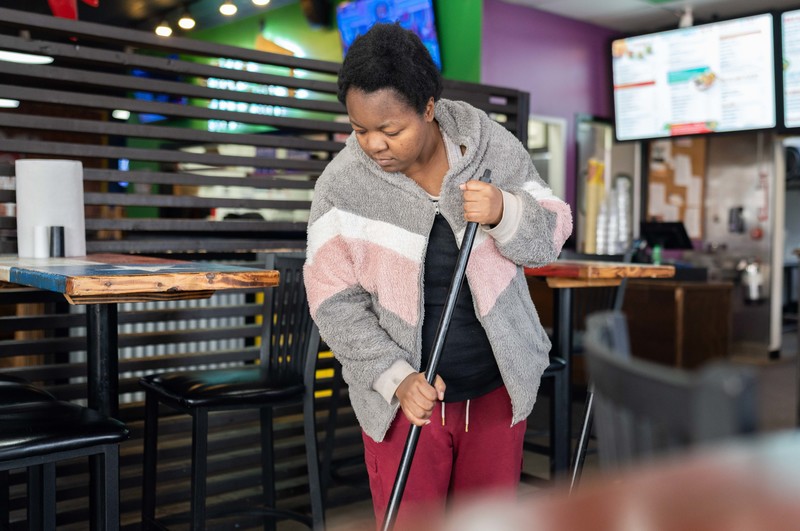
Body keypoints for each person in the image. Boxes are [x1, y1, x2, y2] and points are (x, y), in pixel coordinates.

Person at [304, 23, 572, 528]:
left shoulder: (488, 146)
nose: (374, 145)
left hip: (496, 391)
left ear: (427, 107)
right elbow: (333, 300)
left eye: (391, 129)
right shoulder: (342, 184)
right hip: (407, 405)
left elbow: (551, 232)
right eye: (361, 130)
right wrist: (395, 376)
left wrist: (505, 211)